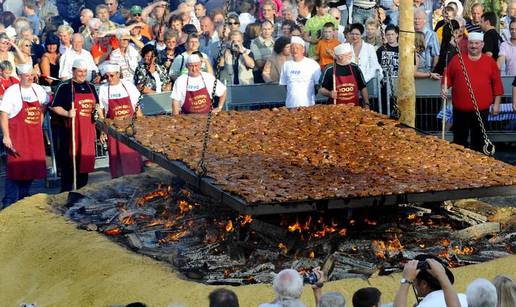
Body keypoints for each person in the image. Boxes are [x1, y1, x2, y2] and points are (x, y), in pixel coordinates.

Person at [441, 32, 504, 152]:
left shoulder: (489, 62)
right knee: (459, 142)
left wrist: (497, 104)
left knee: (479, 142)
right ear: (467, 44)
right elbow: (447, 76)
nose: (473, 46)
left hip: (481, 110)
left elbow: (497, 84)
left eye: (476, 43)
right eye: (471, 43)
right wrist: (444, 87)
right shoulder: (457, 59)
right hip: (460, 110)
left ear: (482, 45)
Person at [0, 64, 49, 208]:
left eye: (31, 75)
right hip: (18, 136)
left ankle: (23, 197)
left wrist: (39, 122)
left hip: (34, 136)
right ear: (20, 76)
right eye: (26, 75)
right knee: (15, 169)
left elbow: (45, 104)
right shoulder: (12, 91)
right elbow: (3, 114)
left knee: (31, 167)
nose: (30, 78)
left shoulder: (38, 89)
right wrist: (6, 136)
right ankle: (8, 203)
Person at [51, 59, 99, 192]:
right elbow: (55, 107)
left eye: (84, 71)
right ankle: (65, 195)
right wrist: (67, 113)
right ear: (73, 71)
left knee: (85, 164)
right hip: (70, 132)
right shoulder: (64, 87)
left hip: (87, 132)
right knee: (69, 166)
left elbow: (97, 105)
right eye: (79, 71)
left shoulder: (91, 87)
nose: (82, 74)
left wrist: (98, 109)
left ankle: (81, 194)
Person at [98, 63, 143, 178]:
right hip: (114, 131)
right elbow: (102, 113)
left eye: (112, 76)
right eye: (106, 76)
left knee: (132, 158)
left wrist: (142, 127)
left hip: (130, 129)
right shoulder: (103, 89)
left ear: (118, 74)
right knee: (116, 160)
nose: (109, 79)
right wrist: (103, 131)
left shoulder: (128, 86)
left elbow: (137, 109)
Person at [393, 254, 467, 307]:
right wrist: (441, 275)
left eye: (413, 281)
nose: (414, 285)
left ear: (424, 284)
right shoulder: (464, 298)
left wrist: (406, 280)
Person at [279, 36, 321, 108]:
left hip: (308, 105)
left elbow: (318, 85)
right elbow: (285, 85)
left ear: (303, 50)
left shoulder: (312, 64)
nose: (294, 50)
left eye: (297, 48)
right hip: (290, 105)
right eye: (292, 48)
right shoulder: (286, 65)